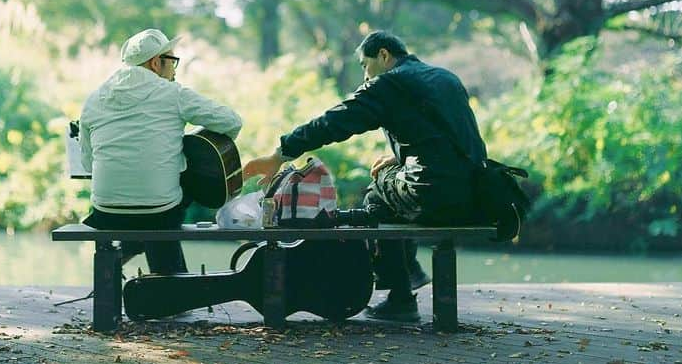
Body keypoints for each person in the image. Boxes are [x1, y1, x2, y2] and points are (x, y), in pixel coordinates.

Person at [244, 30, 486, 322]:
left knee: (376, 196)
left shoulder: (389, 83)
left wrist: (280, 154)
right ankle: (409, 274)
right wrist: (399, 159)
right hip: (475, 193)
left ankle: (401, 296)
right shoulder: (444, 77)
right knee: (393, 184)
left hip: (434, 193)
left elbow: (334, 121)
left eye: (364, 66)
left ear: (383, 55)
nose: (364, 77)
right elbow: (445, 140)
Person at [80, 28, 242, 275]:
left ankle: (134, 248)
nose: (175, 69)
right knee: (179, 175)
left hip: (106, 214)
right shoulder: (173, 93)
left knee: (162, 188)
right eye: (172, 61)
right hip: (160, 214)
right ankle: (170, 282)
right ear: (156, 63)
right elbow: (232, 122)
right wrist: (190, 143)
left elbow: (86, 162)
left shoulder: (94, 99)